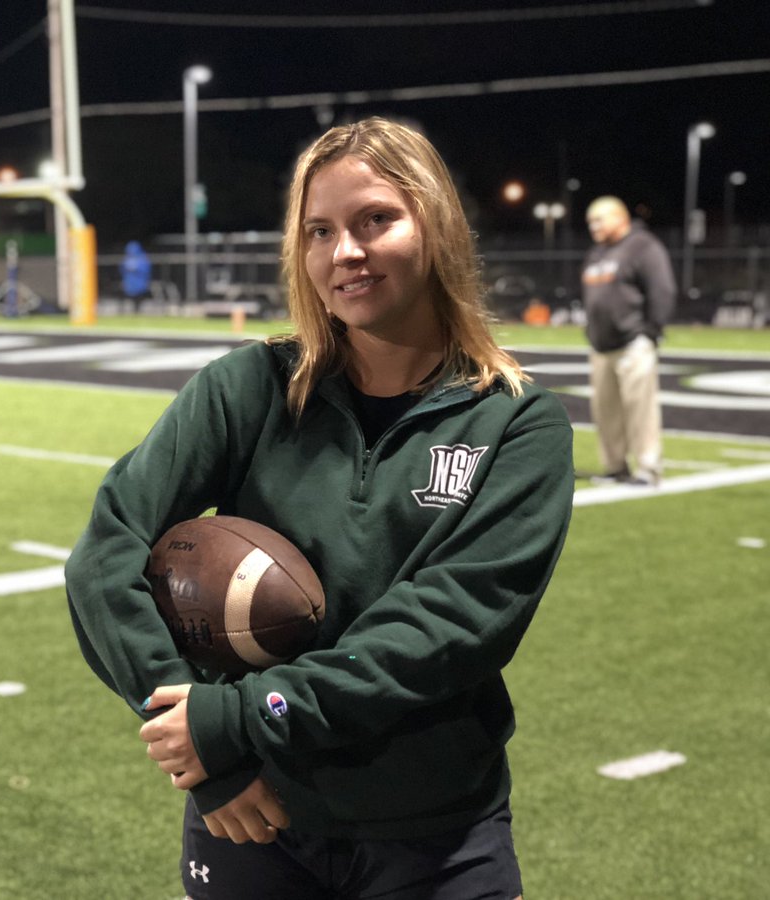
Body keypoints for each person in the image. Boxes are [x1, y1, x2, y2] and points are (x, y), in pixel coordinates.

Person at [65, 117, 574, 899]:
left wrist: (241, 719)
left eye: (376, 219)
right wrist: (200, 742)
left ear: (434, 222)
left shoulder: (514, 422)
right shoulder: (249, 388)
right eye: (320, 230)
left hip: (434, 833)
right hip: (254, 818)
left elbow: (448, 627)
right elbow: (107, 549)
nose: (346, 252)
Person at [581, 196, 677, 486]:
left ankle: (648, 468)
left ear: (620, 218)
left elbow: (662, 290)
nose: (593, 226)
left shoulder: (643, 246)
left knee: (640, 409)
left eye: (599, 219)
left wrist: (650, 332)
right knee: (606, 411)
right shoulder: (597, 253)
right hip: (601, 346)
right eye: (590, 221)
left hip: (633, 342)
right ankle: (615, 466)